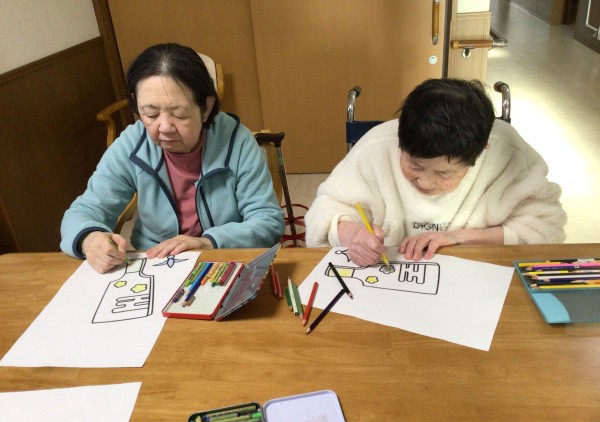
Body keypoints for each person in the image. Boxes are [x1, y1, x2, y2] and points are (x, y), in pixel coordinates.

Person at [61, 43, 285, 273]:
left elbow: (267, 221)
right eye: (151, 114)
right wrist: (89, 239)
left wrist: (207, 242)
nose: (165, 127)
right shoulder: (132, 145)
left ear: (206, 107)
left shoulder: (237, 141)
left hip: (222, 260)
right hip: (156, 265)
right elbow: (84, 211)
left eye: (179, 114)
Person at [305, 78, 567, 265]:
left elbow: (545, 228)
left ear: (481, 151)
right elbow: (323, 211)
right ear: (400, 140)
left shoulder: (507, 153)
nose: (425, 182)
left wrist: (459, 237)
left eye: (444, 174)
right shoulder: (377, 146)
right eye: (414, 165)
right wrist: (352, 234)